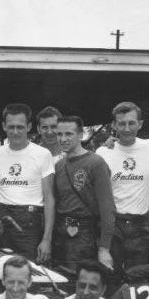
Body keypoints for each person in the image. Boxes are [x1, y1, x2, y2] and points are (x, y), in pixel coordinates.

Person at [96, 101, 149, 278]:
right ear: (114, 125)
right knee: (109, 278)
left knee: (139, 280)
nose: (126, 128)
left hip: (140, 226)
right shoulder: (103, 153)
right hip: (112, 225)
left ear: (140, 124)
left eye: (131, 123)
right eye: (121, 123)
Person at [0, 104, 55, 262]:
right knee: (0, 271)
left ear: (29, 127)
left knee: (28, 273)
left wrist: (46, 239)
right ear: (4, 126)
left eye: (20, 127)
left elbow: (49, 198)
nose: (15, 132)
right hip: (2, 221)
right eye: (11, 127)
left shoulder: (42, 154)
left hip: (30, 222)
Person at [53, 116, 116, 274]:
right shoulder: (59, 166)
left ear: (80, 135)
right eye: (59, 134)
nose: (63, 139)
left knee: (81, 284)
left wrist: (104, 248)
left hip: (85, 235)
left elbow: (107, 209)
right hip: (60, 234)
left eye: (68, 134)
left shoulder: (96, 163)